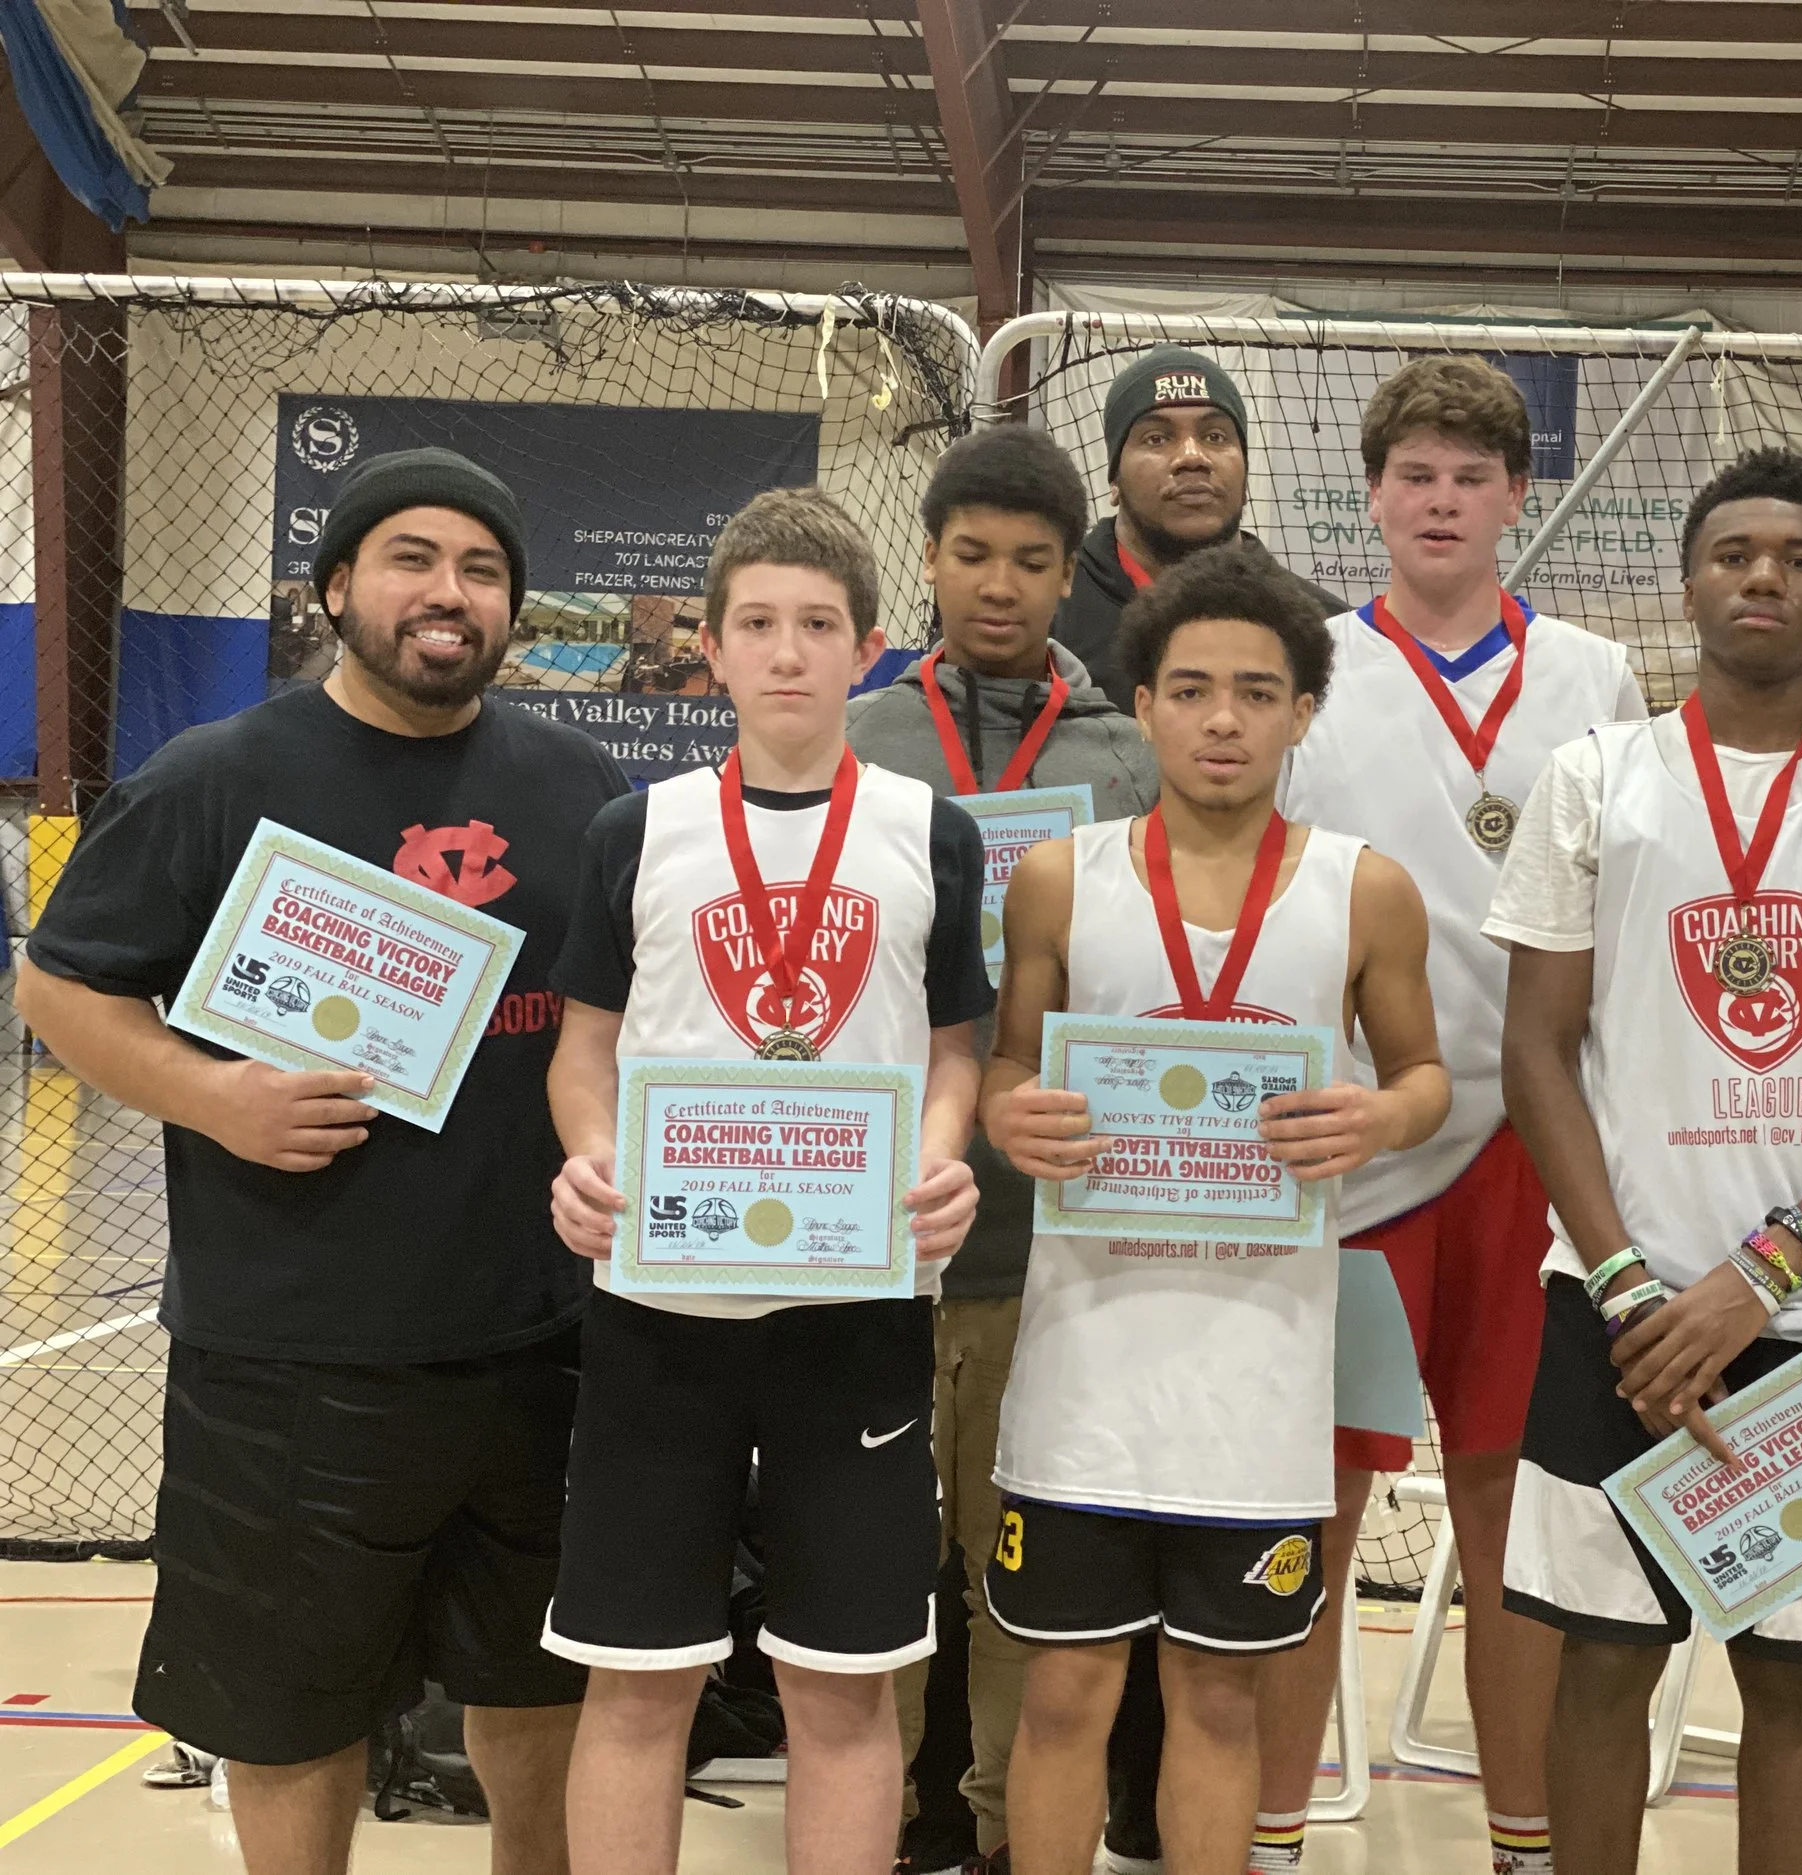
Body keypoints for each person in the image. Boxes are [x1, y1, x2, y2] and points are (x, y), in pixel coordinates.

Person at [15, 447, 624, 1875]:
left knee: (536, 1694)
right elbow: (61, 987)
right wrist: (214, 1097)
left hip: (538, 1338)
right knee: (291, 1713)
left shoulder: (580, 783)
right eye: (412, 557)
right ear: (338, 583)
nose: (448, 592)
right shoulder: (219, 776)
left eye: (481, 570)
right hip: (290, 1347)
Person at [1492, 447, 1802, 1875]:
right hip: (1615, 1309)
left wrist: (1755, 1275)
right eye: (1733, 553)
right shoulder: (1595, 778)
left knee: (1793, 1679)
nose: (1762, 575)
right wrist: (1623, 1282)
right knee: (1603, 1665)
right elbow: (1538, 1048)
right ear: (1692, 579)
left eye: (1796, 556)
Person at [981, 542, 1450, 1875]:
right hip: (1088, 1367)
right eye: (1191, 689)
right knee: (1067, 1690)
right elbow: (1009, 1065)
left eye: (1258, 690)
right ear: (1142, 704)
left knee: (1220, 1692)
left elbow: (1424, 1079)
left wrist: (1375, 1114)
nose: (1224, 719)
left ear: (1306, 707)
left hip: (1259, 1375)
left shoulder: (1365, 886)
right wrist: (1008, 1111)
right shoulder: (1061, 876)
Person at [540, 486, 990, 1874]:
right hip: (660, 1305)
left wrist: (941, 1157)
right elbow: (585, 1051)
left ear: (868, 648)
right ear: (715, 651)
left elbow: (956, 1049)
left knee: (841, 1685)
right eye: (757, 624)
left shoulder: (932, 829)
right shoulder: (639, 827)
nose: (787, 651)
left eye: (817, 624)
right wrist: (587, 1155)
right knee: (637, 1679)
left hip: (853, 1308)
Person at [1258, 354, 1645, 1875]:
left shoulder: (1599, 675)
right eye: (1414, 474)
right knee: (1321, 1509)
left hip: (1535, 1153)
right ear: (1372, 496)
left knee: (1514, 1521)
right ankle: (1277, 1835)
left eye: (1470, 476)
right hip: (1358, 1146)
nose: (1440, 499)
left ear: (1515, 499)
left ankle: (1527, 1842)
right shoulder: (1310, 667)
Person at [848, 423, 1160, 1872]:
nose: (1000, 584)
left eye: (1033, 561)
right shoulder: (858, 741)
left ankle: (995, 1820)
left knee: (1018, 1563)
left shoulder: (1125, 757)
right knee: (870, 1550)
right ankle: (883, 1806)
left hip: (1049, 1235)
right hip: (869, 1222)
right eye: (972, 554)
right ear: (927, 558)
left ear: (1066, 575)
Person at [1053, 345, 1344, 712]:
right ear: (1114, 479)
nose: (1192, 457)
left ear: (1246, 474)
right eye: (1156, 438)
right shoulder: (1048, 614)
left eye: (1215, 437)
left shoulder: (1325, 629)